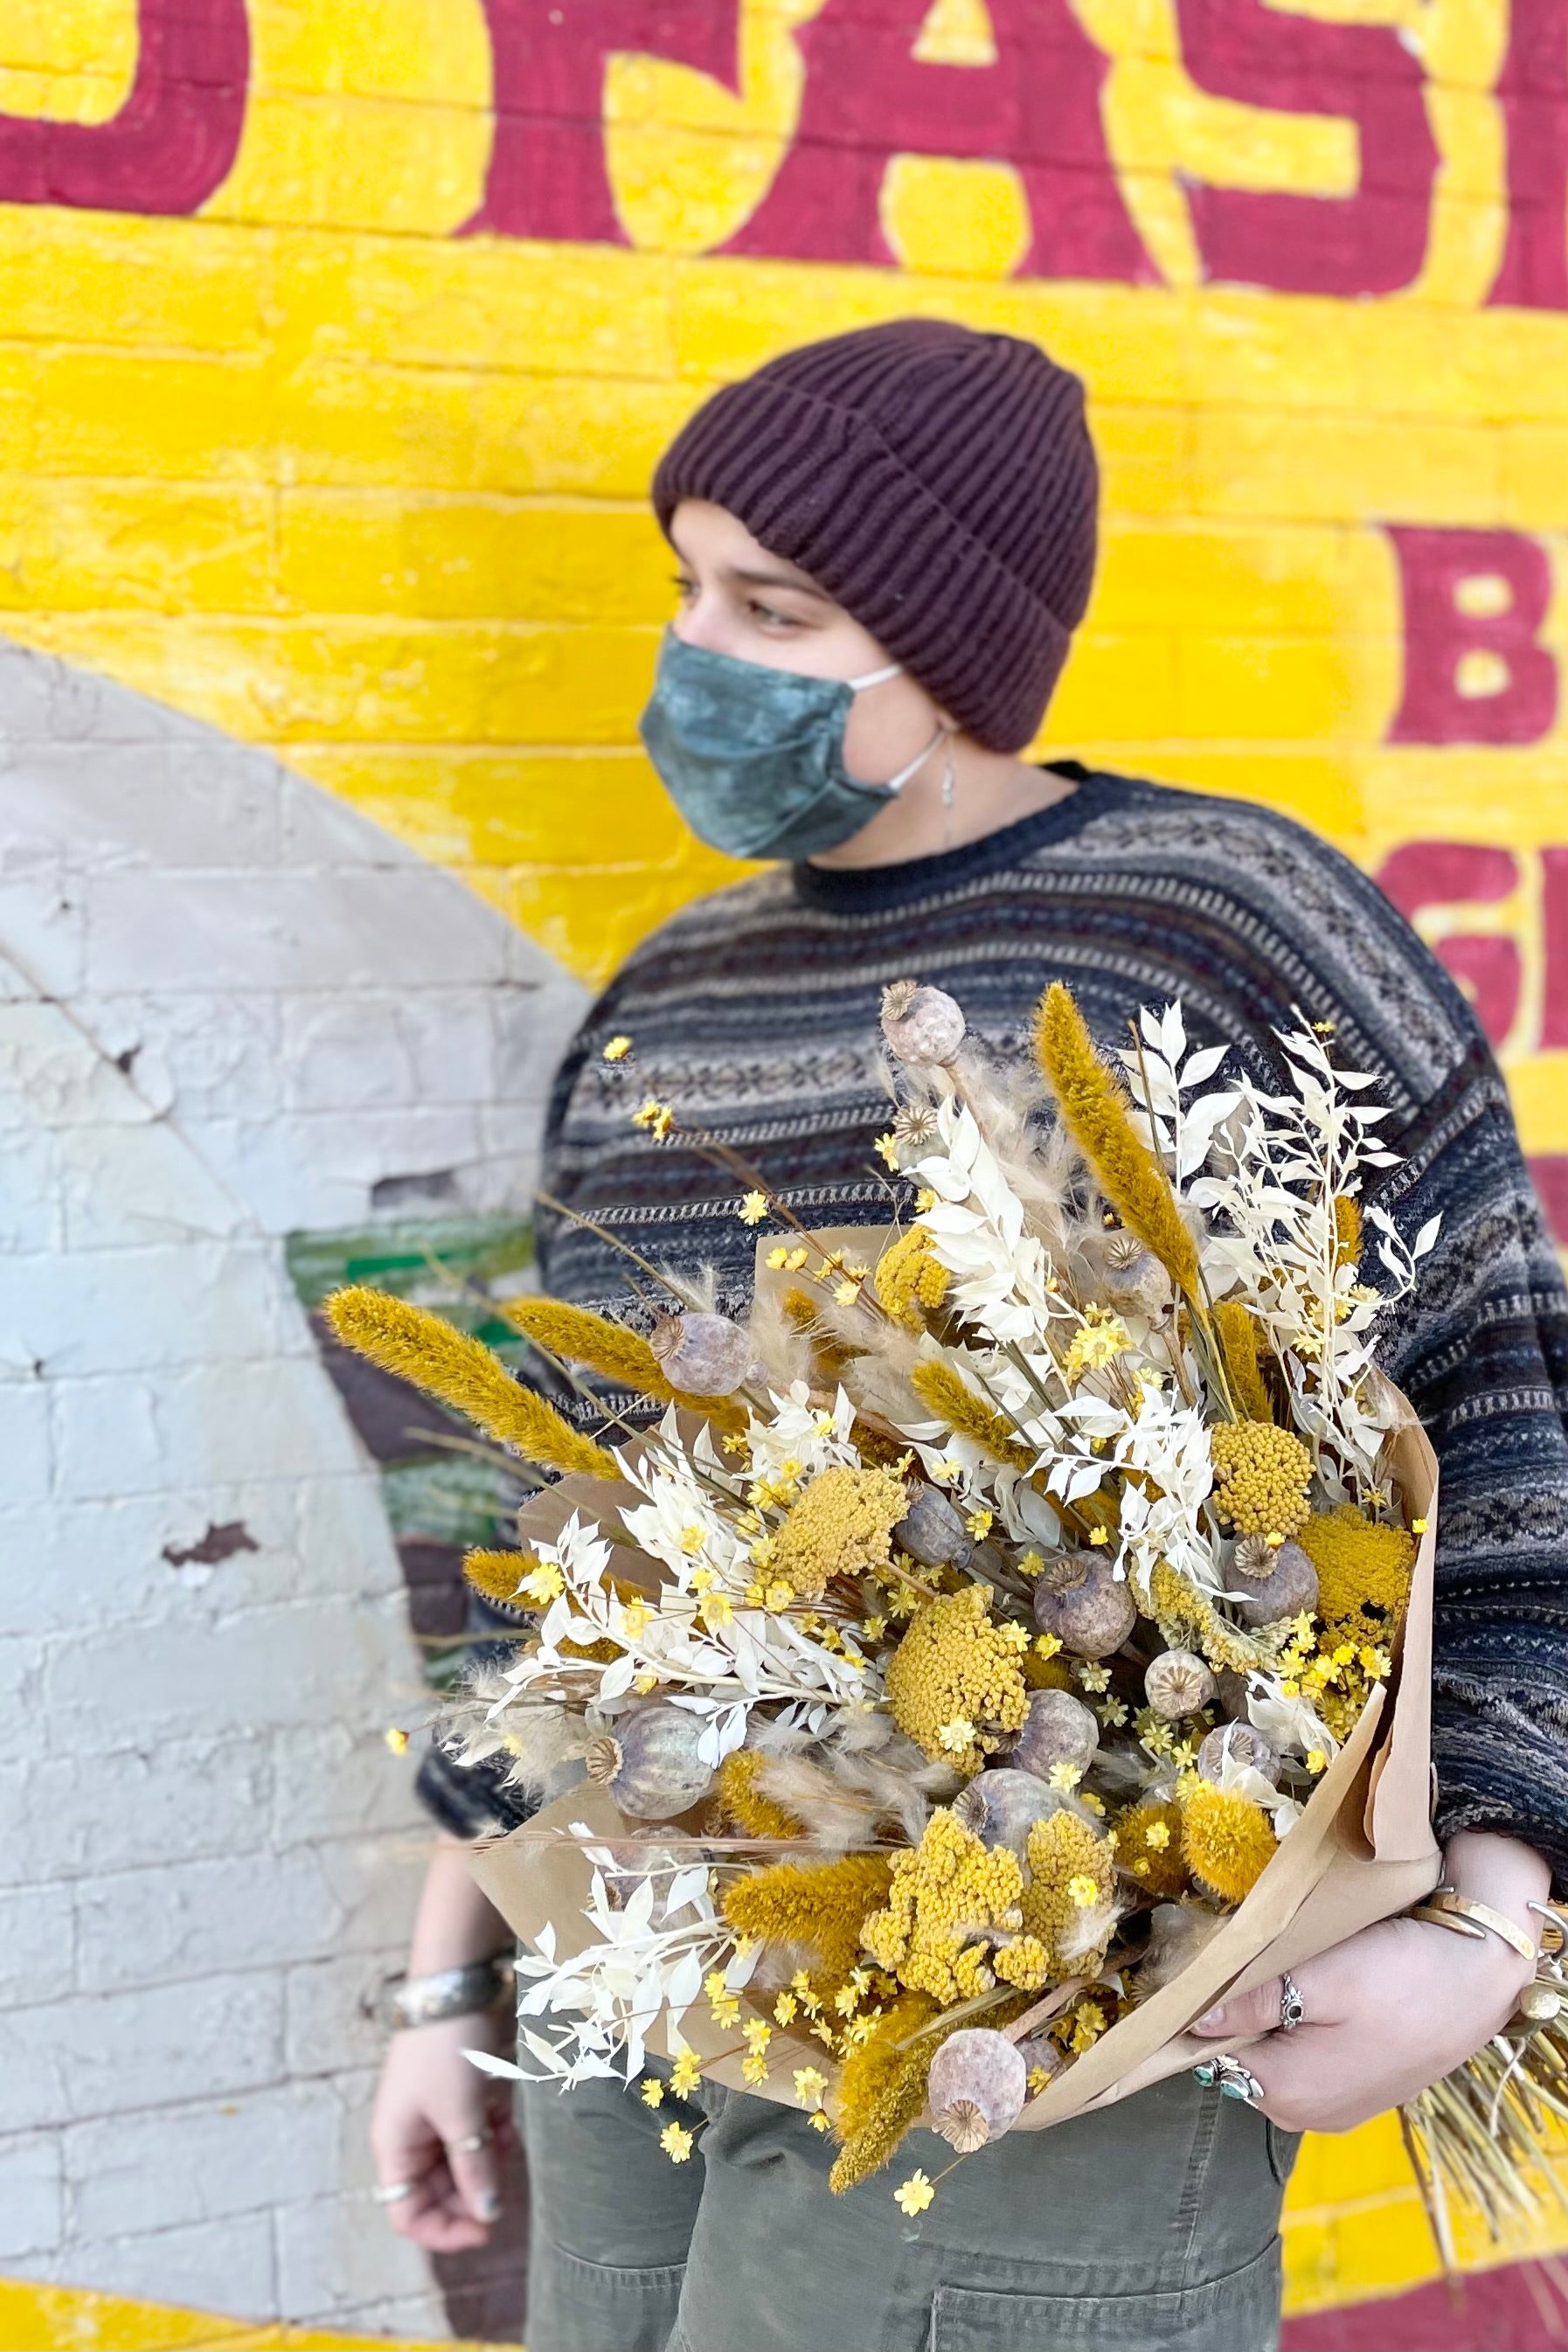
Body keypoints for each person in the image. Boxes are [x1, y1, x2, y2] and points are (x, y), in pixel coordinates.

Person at [369, 321, 1568, 2351]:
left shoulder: (1222, 928)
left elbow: (1506, 1419)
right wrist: (447, 1975)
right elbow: (553, 1541)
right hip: (637, 1969)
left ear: (956, 645)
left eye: (777, 605)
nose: (701, 652)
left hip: (1055, 1987)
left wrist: (1489, 1911)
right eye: (689, 588)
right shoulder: (668, 995)